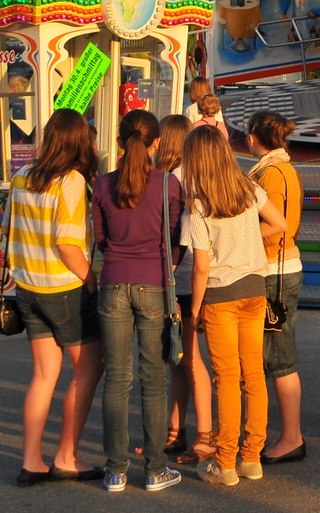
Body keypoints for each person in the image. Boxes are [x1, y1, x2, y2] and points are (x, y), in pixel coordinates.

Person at [182, 125, 287, 485]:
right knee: (254, 375)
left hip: (220, 295)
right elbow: (280, 224)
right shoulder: (249, 189)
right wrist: (248, 238)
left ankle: (225, 463)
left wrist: (194, 310)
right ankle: (251, 458)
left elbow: (200, 267)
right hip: (254, 290)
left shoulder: (198, 204)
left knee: (226, 379)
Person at [8, 110, 105, 486]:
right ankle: (67, 456)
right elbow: (68, 244)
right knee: (89, 370)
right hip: (64, 288)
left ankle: (32, 461)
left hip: (28, 287)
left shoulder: (21, 176)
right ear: (80, 140)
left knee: (44, 375)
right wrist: (91, 278)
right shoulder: (71, 181)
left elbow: (10, 227)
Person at [91, 110, 185, 493]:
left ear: (119, 140)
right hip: (154, 284)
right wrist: (167, 267)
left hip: (112, 283)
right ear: (156, 142)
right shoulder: (168, 184)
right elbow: (177, 239)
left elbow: (99, 239)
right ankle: (155, 469)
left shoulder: (101, 185)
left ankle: (115, 470)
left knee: (116, 378)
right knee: (153, 378)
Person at [246, 112, 308, 466]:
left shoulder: (271, 173)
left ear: (255, 136)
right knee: (274, 353)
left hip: (275, 270)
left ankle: (291, 436)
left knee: (278, 356)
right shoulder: (281, 168)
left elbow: (280, 226)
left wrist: (240, 238)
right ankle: (288, 434)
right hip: (280, 266)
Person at [156, 116, 214, 466]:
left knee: (188, 360)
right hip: (187, 277)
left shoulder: (175, 179)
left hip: (183, 278)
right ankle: (175, 431)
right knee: (177, 358)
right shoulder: (181, 176)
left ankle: (203, 434)